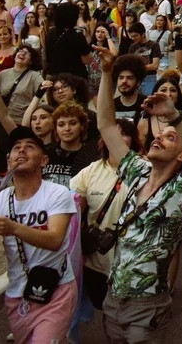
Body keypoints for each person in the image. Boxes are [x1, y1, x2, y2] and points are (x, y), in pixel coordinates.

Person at [95, 51, 182, 344]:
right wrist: (107, 73)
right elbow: (106, 127)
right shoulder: (137, 170)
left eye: (170, 138)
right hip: (114, 296)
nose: (158, 137)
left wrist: (172, 115)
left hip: (147, 304)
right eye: (161, 135)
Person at [0, 126, 80, 344]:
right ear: (8, 161)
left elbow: (54, 240)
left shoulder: (57, 193)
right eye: (16, 148)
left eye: (29, 147)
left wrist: (12, 227)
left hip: (56, 289)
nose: (21, 151)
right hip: (18, 294)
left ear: (44, 161)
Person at [70, 119, 141, 343]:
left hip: (133, 258)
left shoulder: (145, 170)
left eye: (124, 134)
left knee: (130, 313)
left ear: (133, 140)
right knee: (109, 310)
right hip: (98, 260)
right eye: (111, 134)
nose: (116, 139)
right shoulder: (90, 172)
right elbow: (73, 208)